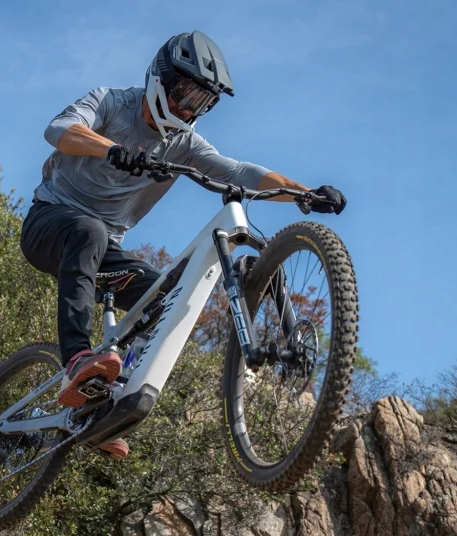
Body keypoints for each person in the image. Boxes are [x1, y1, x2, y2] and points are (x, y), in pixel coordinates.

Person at [21, 30, 346, 459]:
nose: (188, 108)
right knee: (90, 231)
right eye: (185, 94)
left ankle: (100, 411)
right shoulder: (112, 102)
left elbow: (240, 172)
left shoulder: (183, 144)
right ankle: (77, 357)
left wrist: (304, 194)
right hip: (50, 223)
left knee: (168, 299)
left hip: (103, 251)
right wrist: (113, 150)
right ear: (161, 78)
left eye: (201, 102)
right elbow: (60, 129)